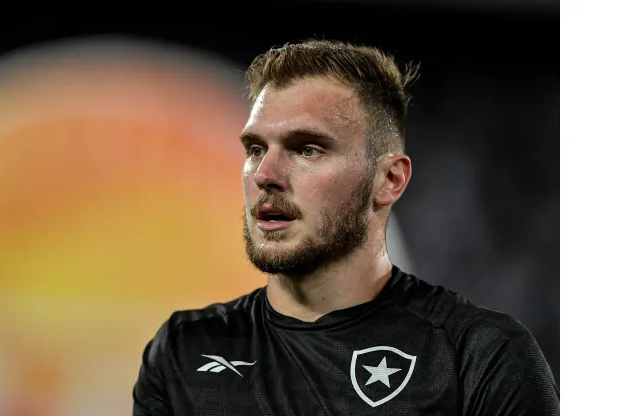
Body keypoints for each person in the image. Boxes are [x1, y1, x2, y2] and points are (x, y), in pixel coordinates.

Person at [132, 39, 559, 415]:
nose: (265, 173)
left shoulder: (479, 356)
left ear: (389, 180)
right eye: (256, 148)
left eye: (307, 149)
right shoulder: (184, 351)